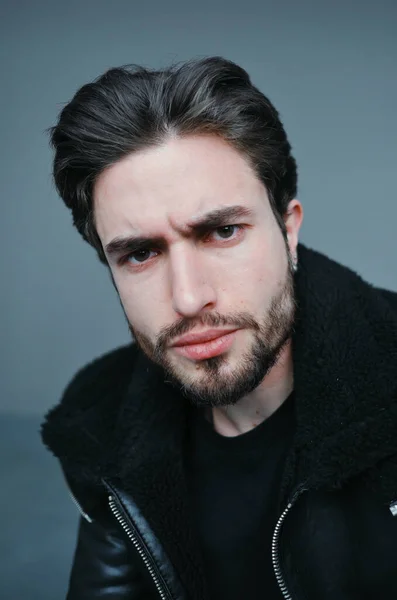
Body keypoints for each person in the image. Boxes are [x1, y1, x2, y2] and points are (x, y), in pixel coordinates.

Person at [41, 56, 397, 600]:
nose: (187, 298)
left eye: (222, 231)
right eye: (140, 254)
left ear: (288, 229)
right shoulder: (101, 424)